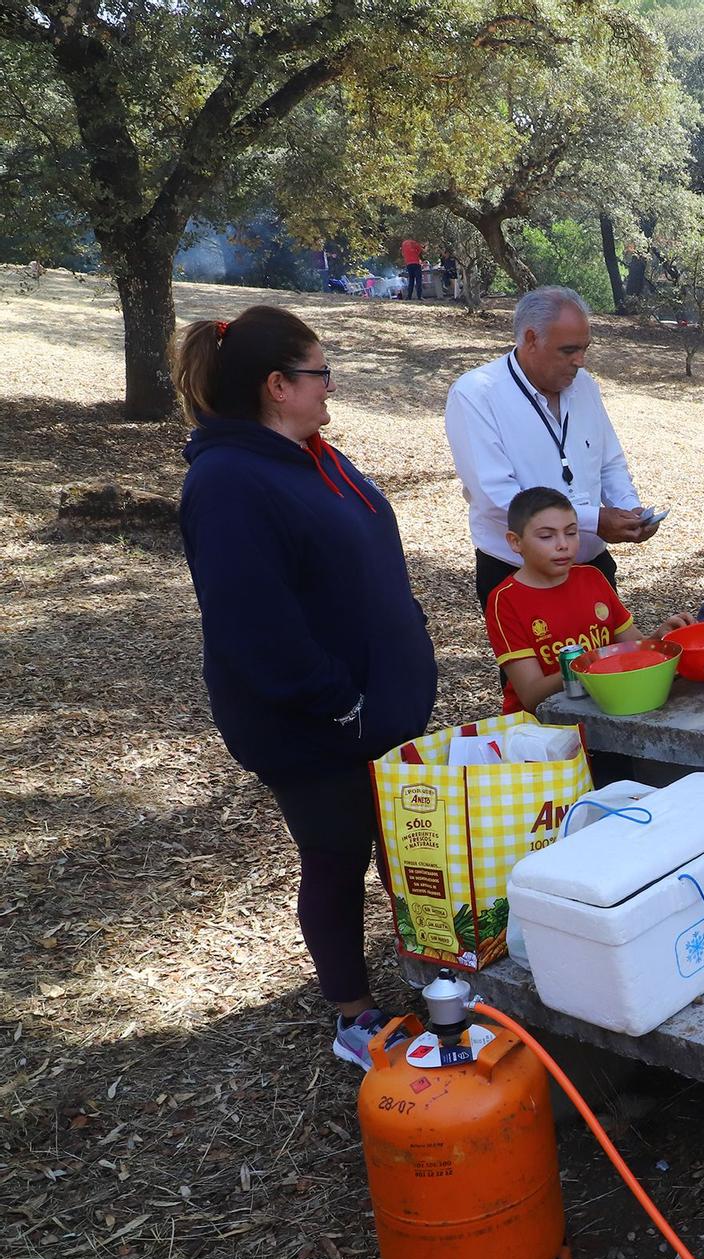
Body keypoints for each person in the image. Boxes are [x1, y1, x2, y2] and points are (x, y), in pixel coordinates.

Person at [174, 305, 438, 1071]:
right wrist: (338, 698)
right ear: (278, 385)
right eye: (319, 371)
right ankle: (354, 1017)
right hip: (317, 725)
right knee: (334, 853)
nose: (331, 386)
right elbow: (252, 623)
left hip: (374, 713)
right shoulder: (227, 481)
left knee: (399, 846)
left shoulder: (313, 455)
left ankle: (435, 977)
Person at [446, 285, 661, 612]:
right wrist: (593, 521)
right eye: (568, 350)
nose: (581, 361)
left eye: (585, 348)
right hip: (519, 576)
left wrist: (630, 510)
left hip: (592, 569)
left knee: (608, 663)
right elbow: (498, 499)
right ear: (531, 339)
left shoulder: (584, 386)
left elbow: (609, 463)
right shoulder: (476, 395)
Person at [486, 488, 694, 713]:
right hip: (541, 729)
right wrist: (587, 666)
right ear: (515, 542)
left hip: (606, 708)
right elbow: (530, 695)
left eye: (571, 532)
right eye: (547, 536)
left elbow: (631, 647)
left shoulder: (592, 577)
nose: (562, 544)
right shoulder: (505, 601)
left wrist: (659, 639)